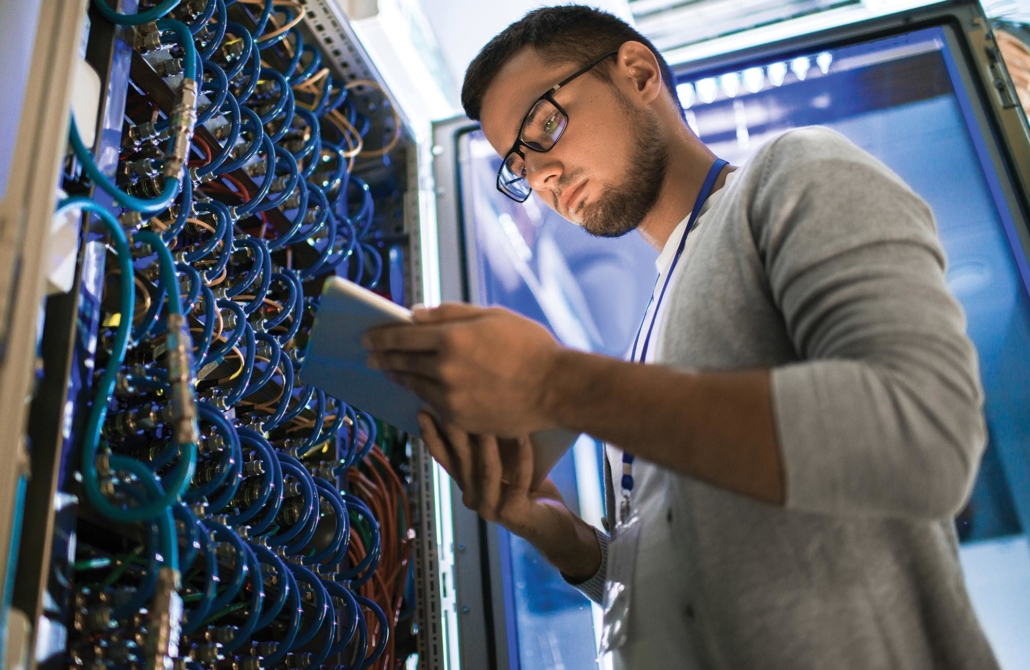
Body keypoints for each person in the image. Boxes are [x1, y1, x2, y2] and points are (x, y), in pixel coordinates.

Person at [363, 5, 1000, 669]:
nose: (541, 176)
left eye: (544, 125)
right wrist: (564, 540)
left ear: (638, 74)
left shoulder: (794, 173)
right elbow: (680, 578)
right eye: (517, 168)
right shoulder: (647, 334)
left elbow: (923, 435)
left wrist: (557, 383)